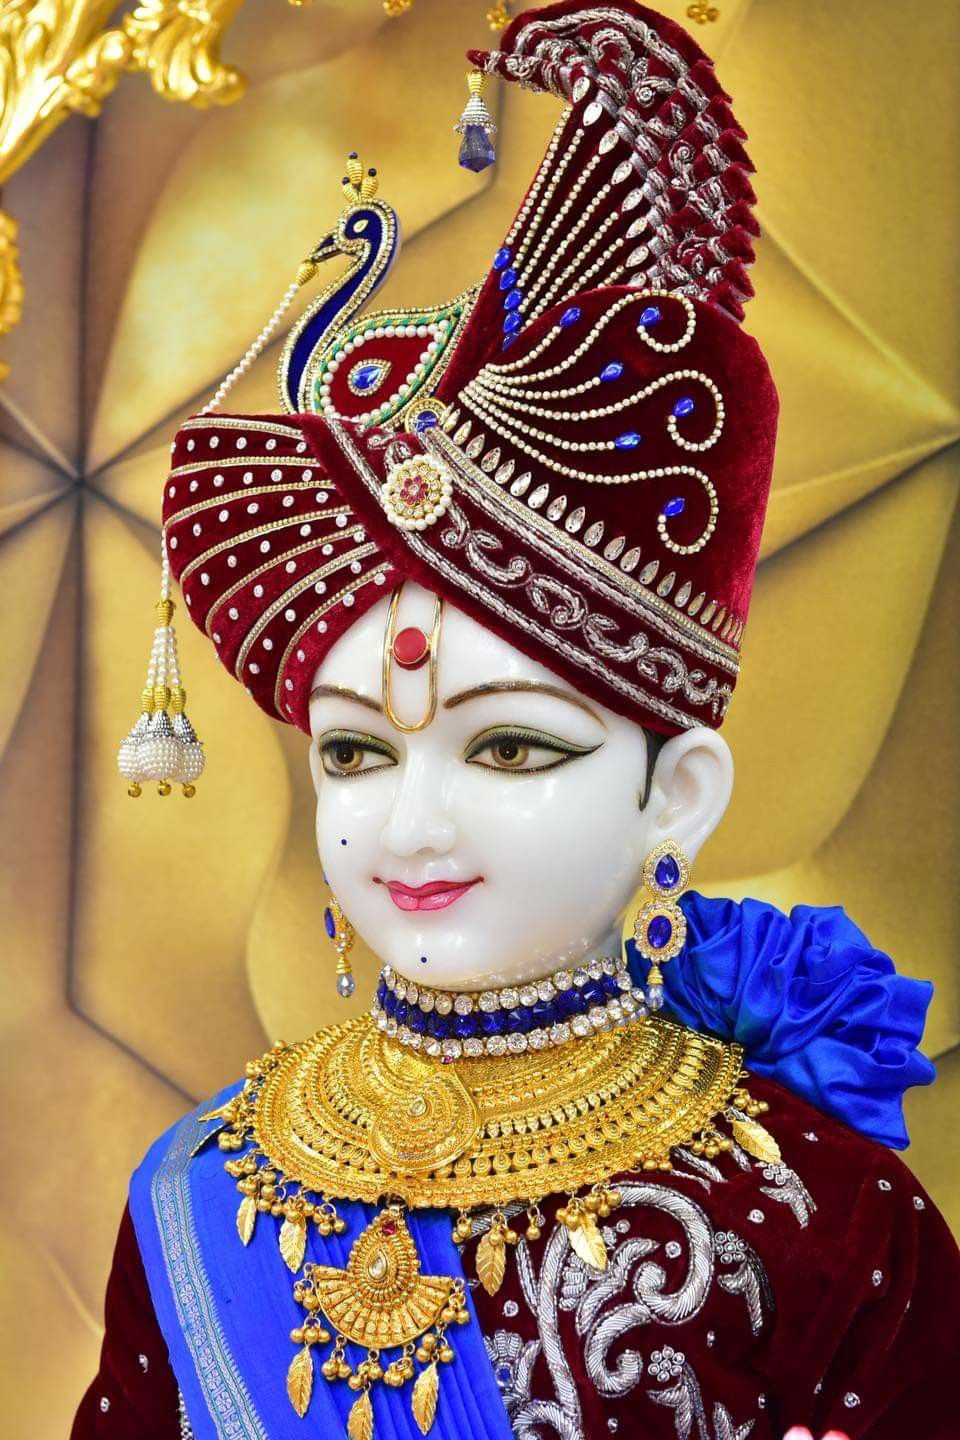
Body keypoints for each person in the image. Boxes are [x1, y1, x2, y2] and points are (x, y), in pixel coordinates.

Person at [74, 4, 960, 1438]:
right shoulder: (203, 1196)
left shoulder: (820, 1224)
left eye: (508, 747)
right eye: (357, 752)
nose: (412, 822)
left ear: (678, 794)